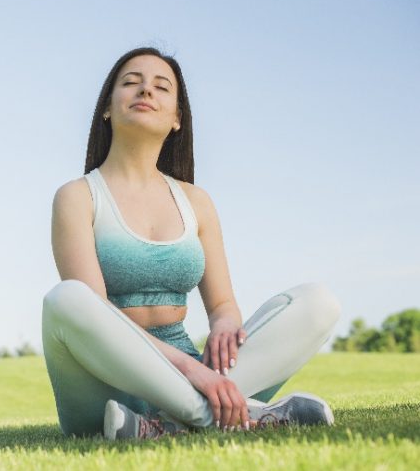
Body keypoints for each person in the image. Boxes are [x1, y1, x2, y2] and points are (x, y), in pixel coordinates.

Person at [42, 47, 342, 440]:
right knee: (66, 300)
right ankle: (229, 414)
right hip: (105, 388)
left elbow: (222, 305)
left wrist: (225, 327)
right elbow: (97, 314)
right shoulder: (77, 196)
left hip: (189, 371)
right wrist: (193, 371)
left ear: (177, 119)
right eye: (131, 82)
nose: (145, 90)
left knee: (319, 303)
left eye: (161, 87)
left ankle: (164, 426)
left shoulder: (196, 201)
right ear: (107, 109)